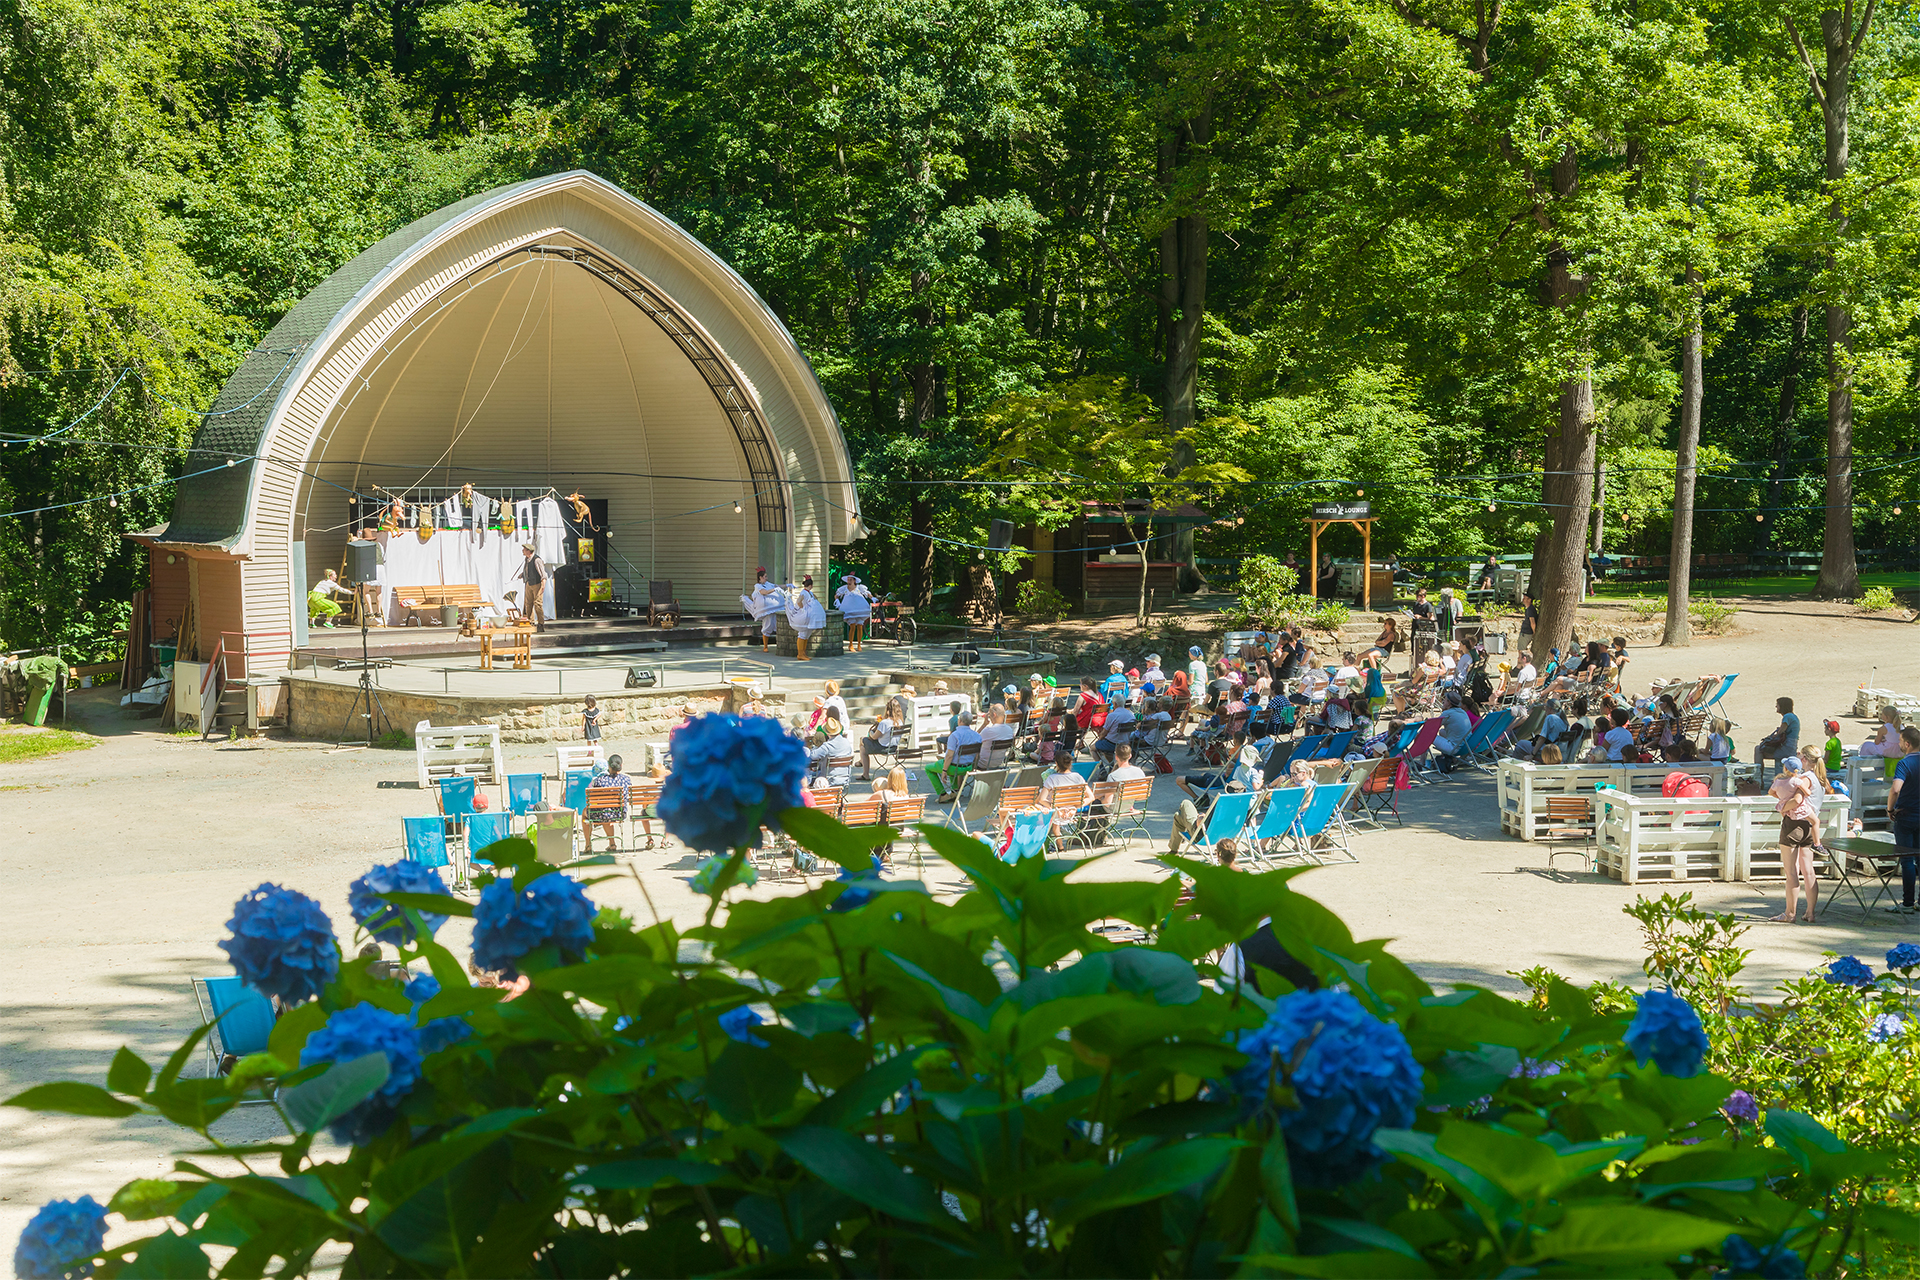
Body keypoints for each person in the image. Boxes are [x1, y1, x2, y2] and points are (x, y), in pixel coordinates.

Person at [1768, 758, 1821, 923]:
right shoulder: (1805, 780)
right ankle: (1810, 913)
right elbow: (1806, 794)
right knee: (1808, 870)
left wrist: (1782, 804)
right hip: (1807, 825)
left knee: (1791, 872)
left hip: (1792, 825)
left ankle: (1790, 914)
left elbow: (1774, 793)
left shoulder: (1779, 781)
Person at [1887, 724, 1920, 912]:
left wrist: (1890, 808)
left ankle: (1908, 902)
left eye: (1900, 741)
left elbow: (1896, 789)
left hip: (1906, 815)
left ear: (1907, 744)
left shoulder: (1904, 763)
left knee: (1907, 859)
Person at [583, 754, 633, 855]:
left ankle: (588, 845)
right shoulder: (626, 780)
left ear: (609, 766)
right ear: (621, 765)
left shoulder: (600, 780)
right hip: (620, 814)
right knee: (608, 810)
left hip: (603, 814)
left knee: (585, 813)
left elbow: (593, 800)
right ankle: (612, 843)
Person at [926, 709, 981, 799]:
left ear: (959, 721)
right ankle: (954, 791)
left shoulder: (955, 735)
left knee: (928, 768)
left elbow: (949, 755)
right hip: (969, 767)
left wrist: (944, 771)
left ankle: (943, 794)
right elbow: (977, 755)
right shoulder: (977, 735)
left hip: (954, 768)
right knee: (953, 761)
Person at [857, 699, 908, 781]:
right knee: (863, 748)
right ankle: (861, 762)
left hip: (882, 747)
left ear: (887, 710)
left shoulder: (885, 723)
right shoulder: (900, 722)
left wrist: (870, 732)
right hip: (894, 748)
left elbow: (874, 737)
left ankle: (865, 772)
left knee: (862, 741)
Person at [742, 567, 785, 652]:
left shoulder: (768, 584)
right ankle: (765, 646)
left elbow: (776, 586)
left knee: (778, 626)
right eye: (765, 576)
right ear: (760, 577)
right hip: (766, 610)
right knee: (767, 626)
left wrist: (787, 585)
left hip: (775, 609)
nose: (766, 578)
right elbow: (764, 592)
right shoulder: (758, 586)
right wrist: (774, 590)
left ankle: (780, 645)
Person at [1753, 697, 1801, 772]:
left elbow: (1781, 732)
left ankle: (1758, 775)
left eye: (1777, 705)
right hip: (1791, 748)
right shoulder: (1793, 716)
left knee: (1758, 749)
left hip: (1786, 748)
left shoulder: (1787, 717)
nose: (1776, 707)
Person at [808, 717, 853, 789]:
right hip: (844, 779)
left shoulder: (827, 746)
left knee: (807, 777)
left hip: (828, 780)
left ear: (827, 733)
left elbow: (812, 756)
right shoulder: (846, 742)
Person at [836, 574, 873, 651]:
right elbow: (836, 595)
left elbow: (867, 594)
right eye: (848, 580)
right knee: (852, 626)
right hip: (849, 610)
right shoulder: (844, 588)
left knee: (860, 626)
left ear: (854, 581)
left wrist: (873, 598)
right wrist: (837, 602)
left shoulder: (859, 588)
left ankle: (859, 644)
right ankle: (851, 644)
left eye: (850, 580)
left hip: (860, 609)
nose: (848, 581)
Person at [519, 544, 549, 632]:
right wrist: (522, 575)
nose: (523, 551)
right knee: (528, 603)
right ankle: (530, 622)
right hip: (529, 583)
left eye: (524, 549)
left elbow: (543, 574)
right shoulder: (527, 560)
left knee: (538, 604)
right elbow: (528, 570)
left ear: (529, 551)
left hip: (536, 584)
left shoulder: (537, 560)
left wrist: (543, 585)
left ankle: (540, 623)